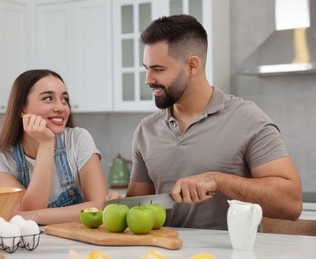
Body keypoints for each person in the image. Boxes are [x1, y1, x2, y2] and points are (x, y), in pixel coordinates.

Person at [126, 14, 302, 230]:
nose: (148, 79)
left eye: (158, 69)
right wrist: (115, 204)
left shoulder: (247, 119)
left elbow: (291, 205)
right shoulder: (146, 131)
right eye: (146, 68)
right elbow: (136, 209)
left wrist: (218, 180)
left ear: (192, 66)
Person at [0, 69, 110, 225]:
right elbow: (28, 210)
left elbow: (100, 207)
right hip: (28, 245)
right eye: (48, 98)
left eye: (64, 99)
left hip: (76, 241)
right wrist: (46, 143)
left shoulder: (78, 139)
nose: (61, 107)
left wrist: (35, 216)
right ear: (22, 108)